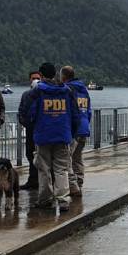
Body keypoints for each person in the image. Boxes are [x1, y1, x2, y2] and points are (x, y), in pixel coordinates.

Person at [19, 62, 80, 211]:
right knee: (62, 169)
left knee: (44, 169)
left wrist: (32, 128)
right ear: (55, 74)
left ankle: (45, 198)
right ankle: (63, 200)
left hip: (42, 136)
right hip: (62, 135)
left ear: (41, 74)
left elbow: (26, 114)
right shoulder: (67, 91)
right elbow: (75, 115)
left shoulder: (36, 92)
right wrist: (71, 133)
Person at [60, 65, 91, 197]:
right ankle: (79, 181)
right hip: (84, 127)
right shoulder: (84, 90)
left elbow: (68, 111)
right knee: (77, 158)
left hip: (74, 129)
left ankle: (73, 186)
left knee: (66, 159)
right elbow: (89, 110)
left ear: (64, 76)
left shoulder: (68, 89)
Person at [18, 70, 43, 189]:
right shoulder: (25, 95)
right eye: (33, 78)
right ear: (30, 80)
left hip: (43, 131)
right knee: (30, 154)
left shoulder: (45, 93)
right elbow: (21, 111)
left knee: (44, 156)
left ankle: (45, 182)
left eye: (37, 78)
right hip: (30, 130)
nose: (35, 80)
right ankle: (32, 180)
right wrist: (25, 123)